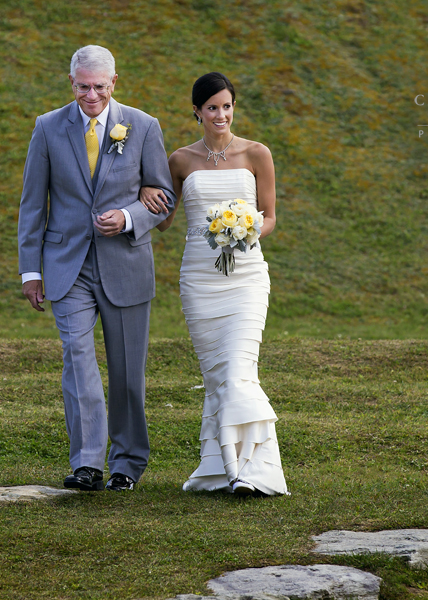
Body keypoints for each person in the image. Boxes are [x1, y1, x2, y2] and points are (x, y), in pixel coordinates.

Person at [18, 45, 176, 492]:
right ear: (71, 83)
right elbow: (33, 203)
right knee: (78, 358)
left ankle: (126, 463)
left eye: (99, 88)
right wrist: (31, 271)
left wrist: (127, 218)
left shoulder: (143, 127)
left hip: (126, 263)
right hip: (66, 266)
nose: (91, 96)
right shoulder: (48, 128)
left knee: (127, 371)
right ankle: (87, 462)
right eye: (83, 87)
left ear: (115, 83)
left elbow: (164, 199)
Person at [140, 72, 287, 496]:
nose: (220, 115)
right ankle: (228, 470)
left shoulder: (257, 154)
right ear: (197, 112)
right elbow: (165, 222)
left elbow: (271, 216)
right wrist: (146, 194)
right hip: (200, 281)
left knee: (240, 368)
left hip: (247, 278)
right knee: (219, 376)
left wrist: (247, 229)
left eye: (226, 106)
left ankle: (251, 473)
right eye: (211, 108)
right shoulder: (180, 161)